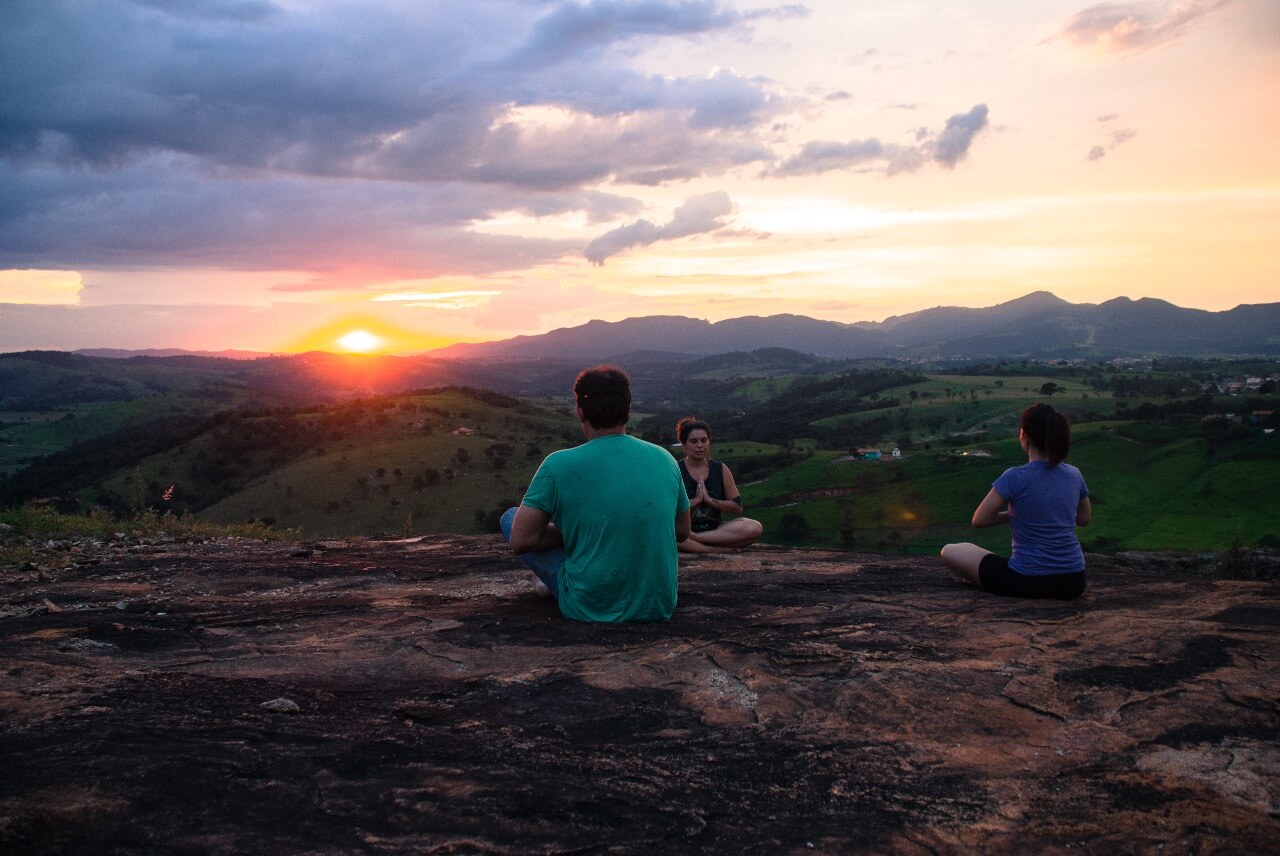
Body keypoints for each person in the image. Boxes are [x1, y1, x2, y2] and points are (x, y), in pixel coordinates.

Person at [501, 366, 691, 622]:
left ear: (580, 411)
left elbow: (521, 541)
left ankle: (550, 582)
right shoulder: (665, 458)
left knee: (510, 517)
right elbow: (682, 531)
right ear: (628, 408)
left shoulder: (558, 464)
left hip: (588, 606)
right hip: (658, 604)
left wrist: (577, 532)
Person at [940, 403, 1091, 600]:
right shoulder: (1074, 474)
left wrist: (1012, 516)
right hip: (1073, 582)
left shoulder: (1015, 477)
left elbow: (980, 520)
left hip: (1025, 581)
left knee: (950, 550)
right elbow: (1084, 518)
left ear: (1024, 436)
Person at [674, 417, 764, 553]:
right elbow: (668, 510)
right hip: (683, 529)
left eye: (704, 440)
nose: (700, 445)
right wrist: (696, 501)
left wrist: (710, 500)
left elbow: (737, 507)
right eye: (693, 441)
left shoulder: (720, 469)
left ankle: (697, 540)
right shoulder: (675, 470)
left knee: (754, 527)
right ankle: (713, 550)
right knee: (664, 531)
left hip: (715, 530)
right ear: (684, 445)